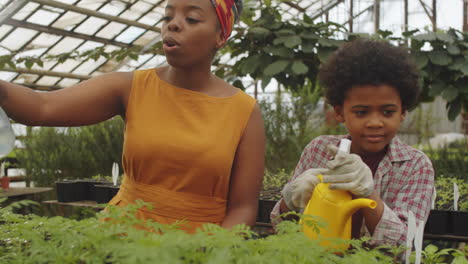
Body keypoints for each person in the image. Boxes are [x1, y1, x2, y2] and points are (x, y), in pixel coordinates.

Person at [0, 0, 265, 233]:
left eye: (191, 18)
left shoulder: (244, 111)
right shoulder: (130, 87)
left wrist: (216, 254)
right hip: (122, 239)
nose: (173, 25)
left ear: (220, 35)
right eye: (167, 16)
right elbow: (43, 107)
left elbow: (242, 209)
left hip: (201, 247)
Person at [271, 38, 435, 246]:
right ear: (339, 112)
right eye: (361, 112)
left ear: (402, 112)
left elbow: (404, 246)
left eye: (388, 112)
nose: (375, 122)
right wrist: (291, 199)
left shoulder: (415, 165)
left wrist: (369, 194)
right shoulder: (318, 150)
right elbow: (282, 227)